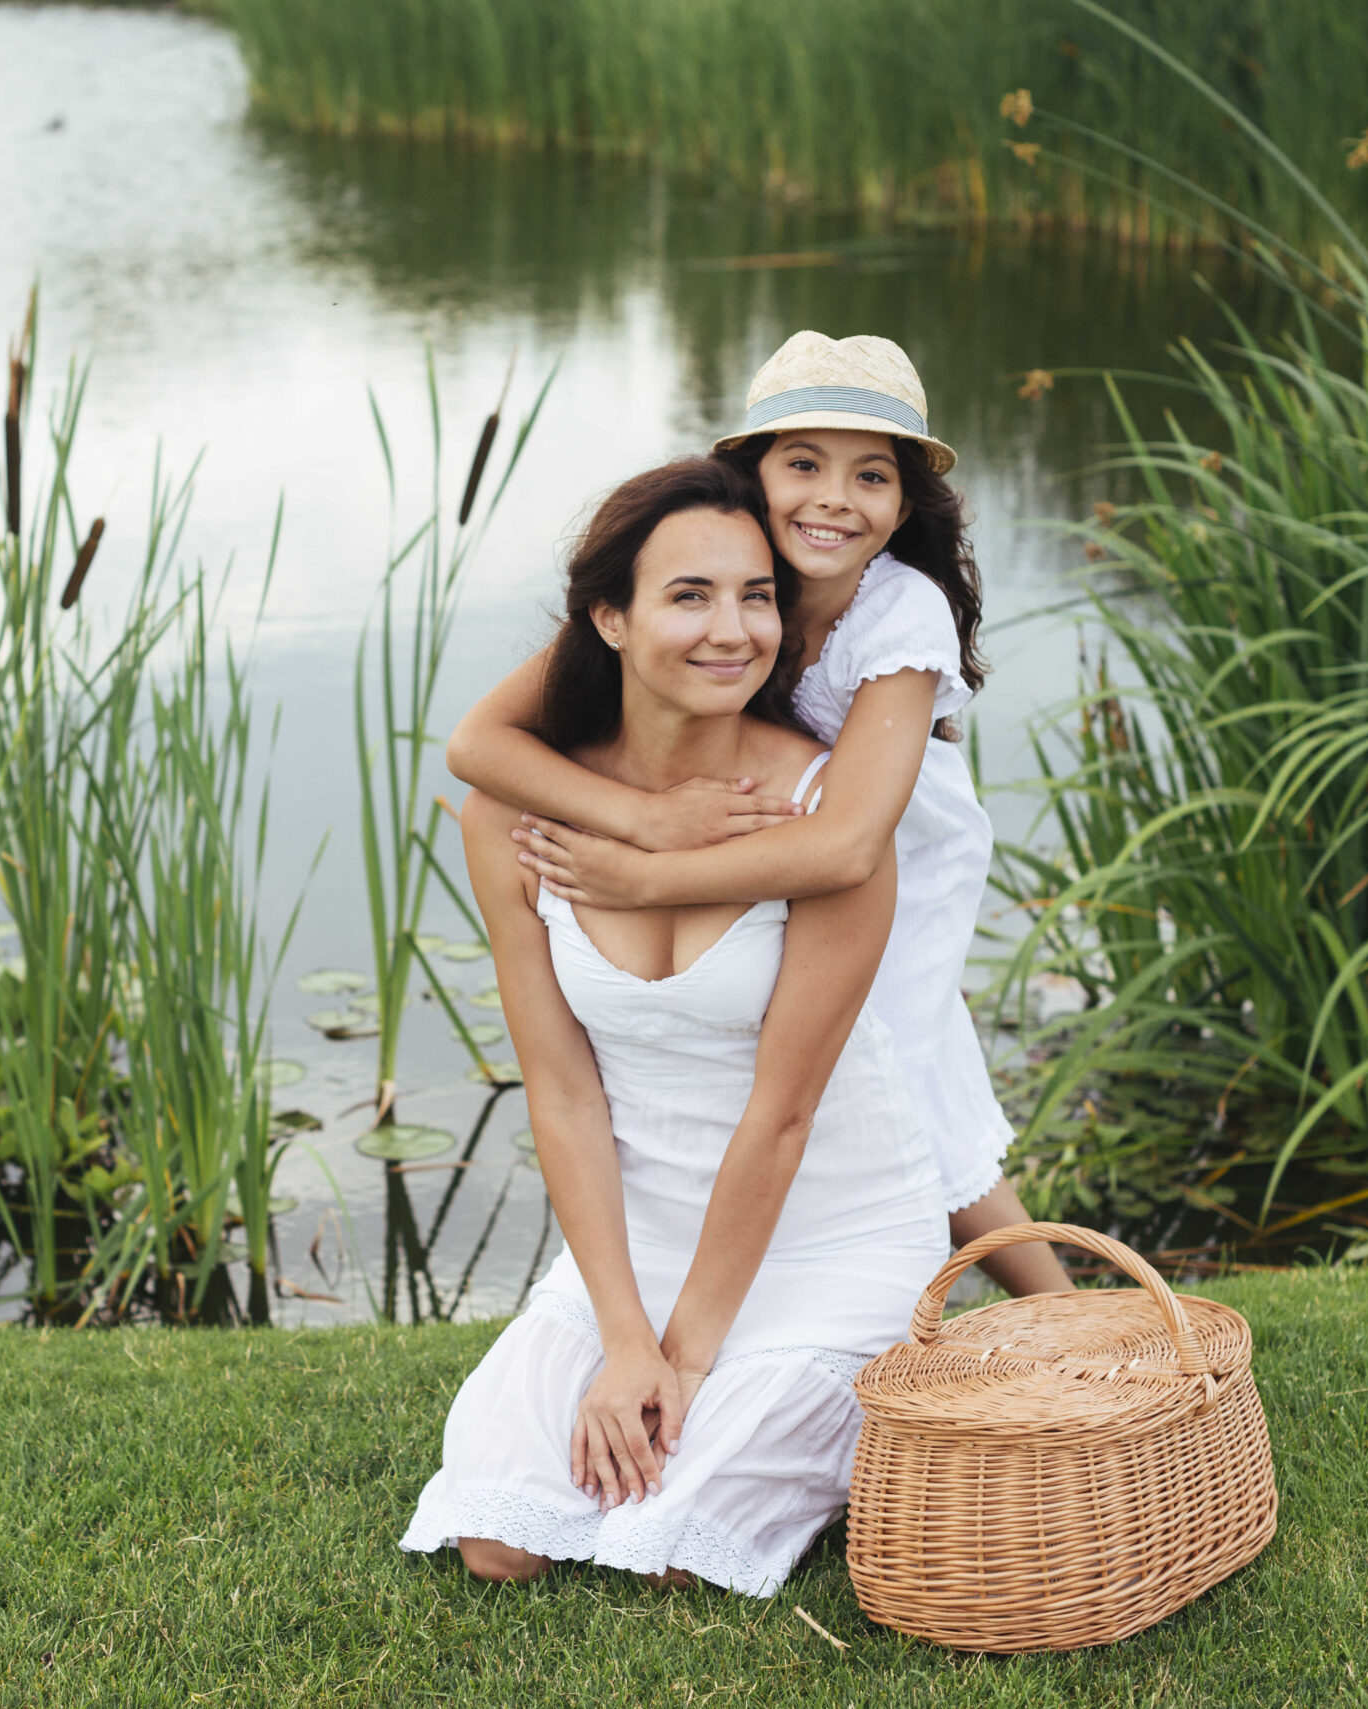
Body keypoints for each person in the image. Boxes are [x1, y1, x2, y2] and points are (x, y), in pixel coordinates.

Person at [398, 456, 948, 1596]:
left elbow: (784, 1112)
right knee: (501, 1541)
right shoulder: (513, 813)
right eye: (688, 596)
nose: (732, 629)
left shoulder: (821, 817)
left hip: (825, 1234)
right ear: (610, 615)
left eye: (756, 596)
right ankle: (649, 1370)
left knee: (673, 1554)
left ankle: (831, 1407)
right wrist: (623, 1335)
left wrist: (687, 1352)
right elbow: (561, 1089)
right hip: (640, 1235)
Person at [447, 331, 1072, 1299]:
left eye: (871, 475)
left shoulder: (899, 609)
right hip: (775, 845)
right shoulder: (715, 573)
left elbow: (850, 841)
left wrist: (646, 873)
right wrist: (641, 817)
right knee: (820, 1083)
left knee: (902, 1088)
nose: (833, 498)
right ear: (751, 470)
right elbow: (476, 748)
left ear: (905, 502)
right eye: (803, 464)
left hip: (887, 852)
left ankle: (1050, 1311)